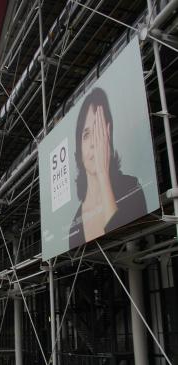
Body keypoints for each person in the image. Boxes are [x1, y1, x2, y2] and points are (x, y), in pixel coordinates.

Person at [69, 87, 147, 248]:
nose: (93, 143)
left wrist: (103, 174)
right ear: (79, 147)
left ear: (108, 135)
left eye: (99, 131)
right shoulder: (74, 224)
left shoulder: (132, 187)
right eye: (86, 134)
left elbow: (122, 232)